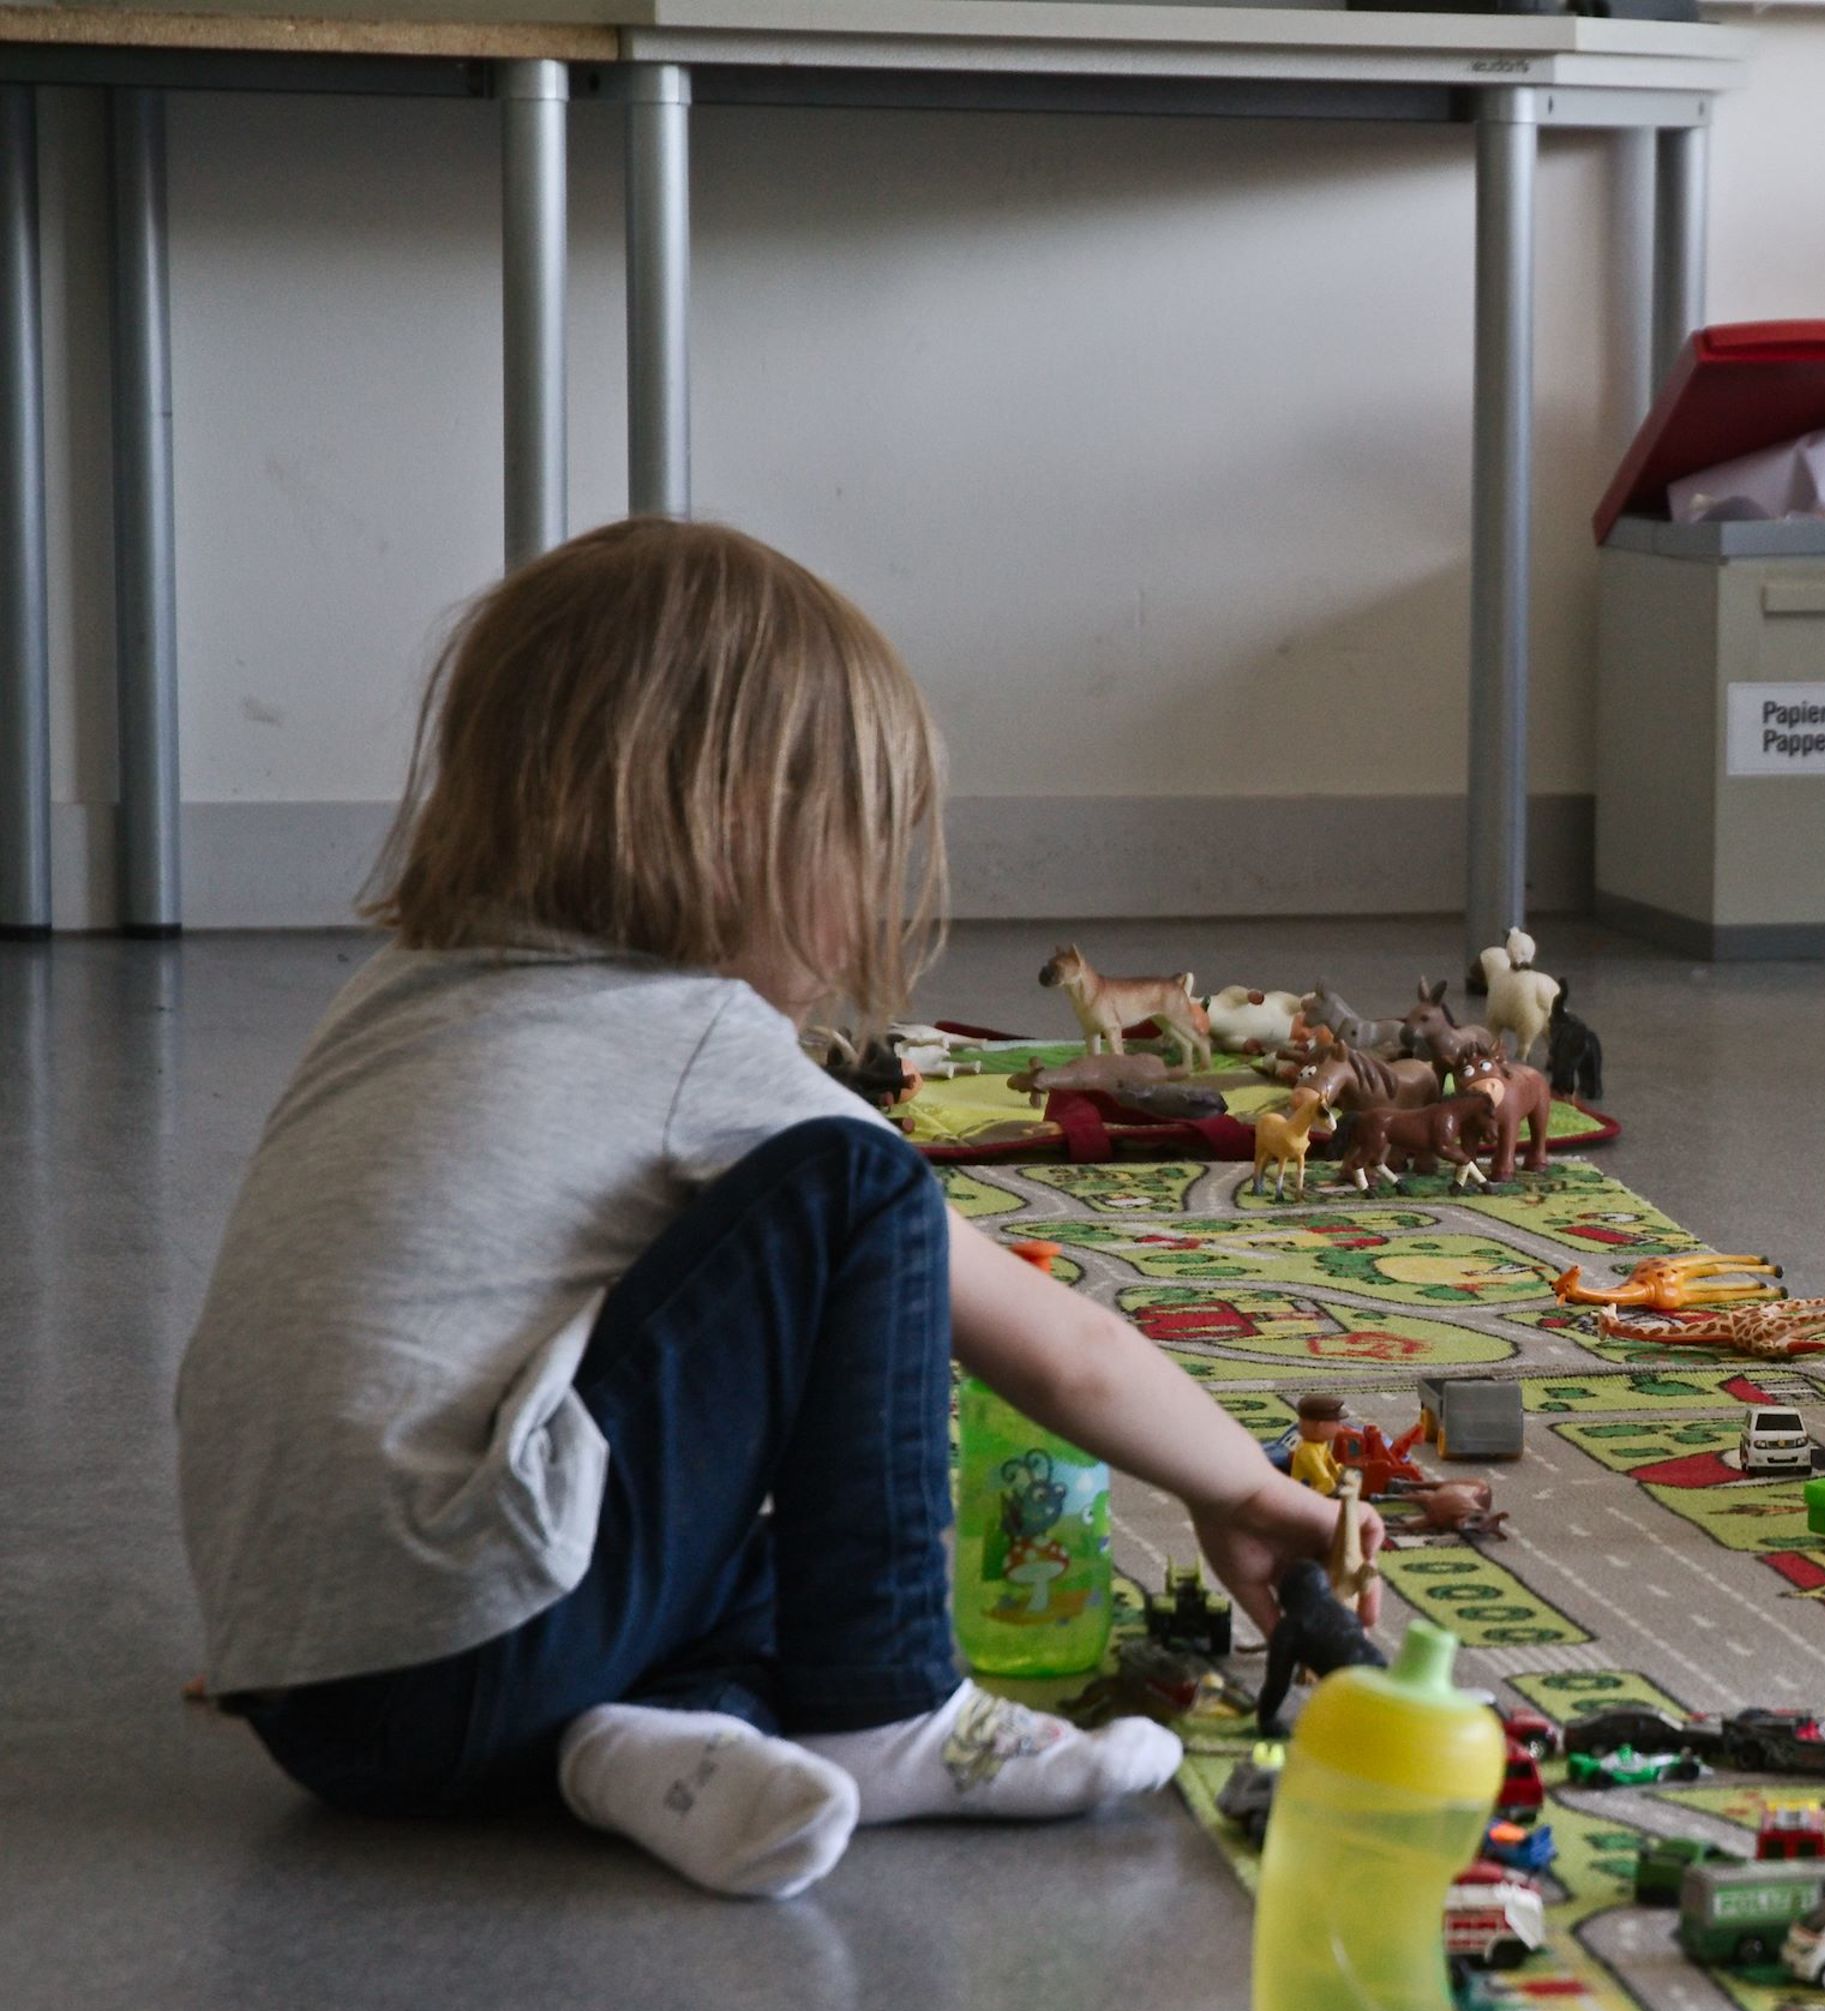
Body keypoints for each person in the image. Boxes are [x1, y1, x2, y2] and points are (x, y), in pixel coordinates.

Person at [177, 519, 1375, 1900]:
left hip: (323, 1710)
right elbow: (1063, 1349)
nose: (871, 897)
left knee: (783, 1553)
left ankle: (643, 1746)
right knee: (861, 1188)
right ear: (736, 826)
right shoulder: (688, 1038)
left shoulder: (392, 998)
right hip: (482, 1633)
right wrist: (1243, 1488)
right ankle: (893, 1711)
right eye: (861, 844)